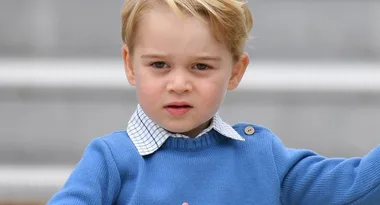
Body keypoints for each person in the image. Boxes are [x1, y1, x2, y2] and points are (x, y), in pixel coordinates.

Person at [47, 0, 380, 204]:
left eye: (200, 66)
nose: (179, 84)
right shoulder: (110, 160)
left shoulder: (262, 156)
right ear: (130, 65)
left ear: (235, 72)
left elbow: (354, 189)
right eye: (159, 65)